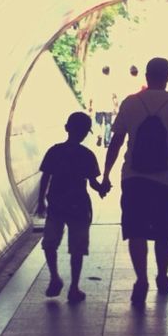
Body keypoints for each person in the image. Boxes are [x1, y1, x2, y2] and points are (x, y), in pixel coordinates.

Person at [100, 56, 168, 307]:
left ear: (146, 75)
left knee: (136, 230)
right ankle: (162, 275)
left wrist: (107, 173)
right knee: (164, 231)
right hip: (165, 179)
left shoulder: (131, 103)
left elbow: (117, 141)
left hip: (133, 177)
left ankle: (141, 279)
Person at [36, 111, 105, 303]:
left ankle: (54, 277)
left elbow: (46, 177)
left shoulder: (54, 151)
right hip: (79, 205)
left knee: (50, 243)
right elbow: (93, 183)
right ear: (86, 133)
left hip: (56, 203)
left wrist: (41, 200)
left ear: (67, 128)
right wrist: (103, 188)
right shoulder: (86, 155)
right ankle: (74, 287)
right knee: (77, 248)